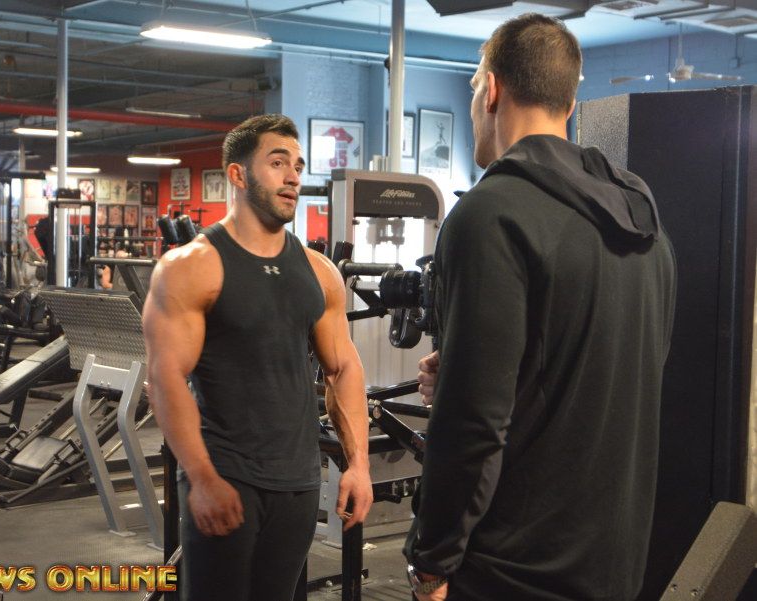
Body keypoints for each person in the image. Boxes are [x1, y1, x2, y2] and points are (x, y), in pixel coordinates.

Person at [403, 14, 677, 601]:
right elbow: (611, 374)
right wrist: (468, 370)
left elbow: (475, 423)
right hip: (613, 563)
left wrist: (431, 560)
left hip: (510, 570)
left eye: (473, 88)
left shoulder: (490, 214)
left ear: (491, 89)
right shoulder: (645, 225)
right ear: (570, 103)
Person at [142, 114, 373, 601]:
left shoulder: (318, 271)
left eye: (298, 166)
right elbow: (166, 379)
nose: (293, 177)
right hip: (226, 477)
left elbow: (343, 368)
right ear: (238, 174)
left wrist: (359, 466)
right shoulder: (191, 267)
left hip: (298, 483)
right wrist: (202, 477)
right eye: (277, 163)